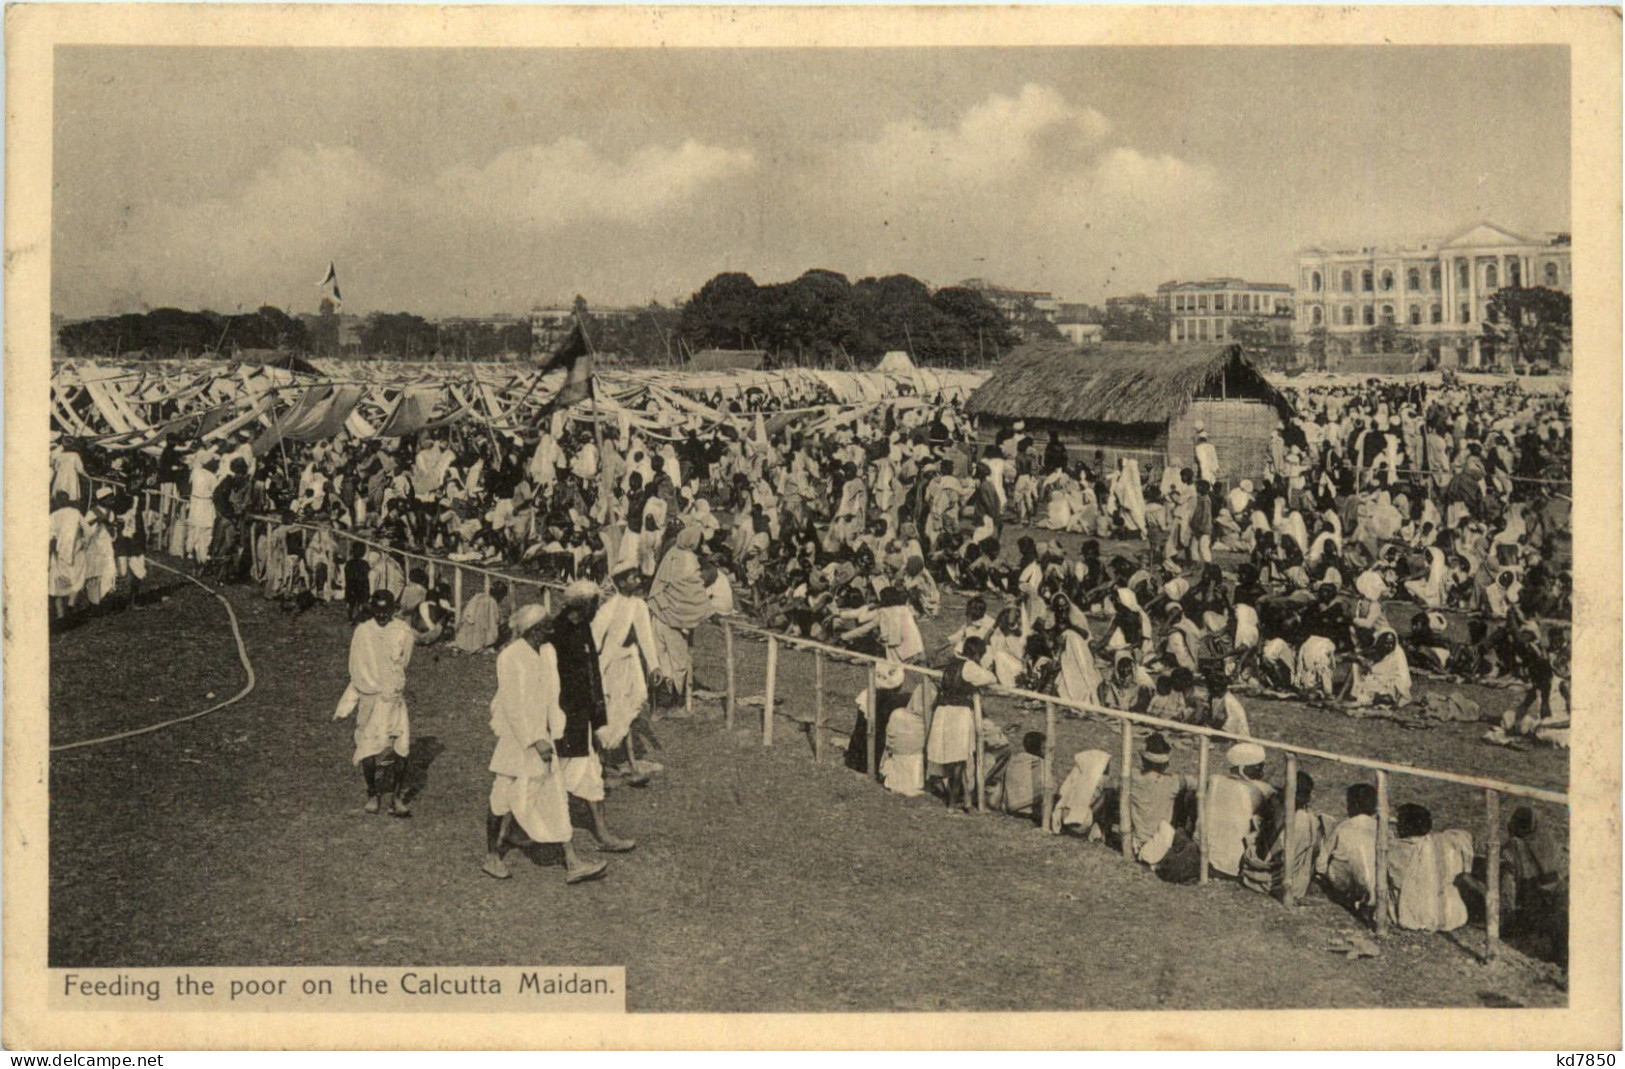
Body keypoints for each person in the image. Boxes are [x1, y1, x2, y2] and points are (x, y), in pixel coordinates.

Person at [483, 603, 608, 884]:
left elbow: (553, 697)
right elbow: (512, 705)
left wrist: (555, 733)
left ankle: (572, 862)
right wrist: (533, 739)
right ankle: (492, 855)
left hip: (544, 738)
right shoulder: (510, 657)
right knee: (501, 799)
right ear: (529, 629)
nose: (546, 633)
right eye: (541, 629)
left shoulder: (546, 654)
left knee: (554, 797)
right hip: (518, 742)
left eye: (546, 628)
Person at [550, 580, 636, 852]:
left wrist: (598, 718)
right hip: (562, 719)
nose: (598, 609)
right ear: (584, 606)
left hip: (582, 718)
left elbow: (593, 674)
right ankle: (516, 832)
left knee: (589, 774)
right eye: (595, 604)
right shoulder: (556, 632)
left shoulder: (584, 628)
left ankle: (602, 832)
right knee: (544, 777)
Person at [334, 590, 415, 817]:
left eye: (385, 612)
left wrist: (390, 684)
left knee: (401, 748)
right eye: (377, 612)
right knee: (367, 747)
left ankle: (396, 798)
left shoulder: (403, 631)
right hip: (369, 697)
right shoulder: (363, 632)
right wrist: (369, 686)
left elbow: (404, 662)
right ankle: (372, 794)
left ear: (393, 610)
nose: (381, 617)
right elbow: (355, 664)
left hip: (393, 697)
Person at [593, 560, 664, 778]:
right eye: (633, 577)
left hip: (630, 660)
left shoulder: (639, 606)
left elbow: (645, 638)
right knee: (610, 707)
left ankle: (628, 760)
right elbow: (595, 638)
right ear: (622, 582)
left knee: (635, 700)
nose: (638, 580)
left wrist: (654, 666)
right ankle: (601, 761)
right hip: (610, 663)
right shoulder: (609, 608)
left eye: (638, 576)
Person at [646, 526, 714, 707]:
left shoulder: (672, 553)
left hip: (658, 613)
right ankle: (673, 702)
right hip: (673, 619)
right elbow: (692, 591)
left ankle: (656, 704)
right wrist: (709, 611)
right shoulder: (689, 560)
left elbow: (661, 584)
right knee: (679, 662)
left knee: (661, 659)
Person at [928, 635, 996, 812]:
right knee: (958, 760)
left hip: (944, 712)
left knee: (957, 758)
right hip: (958, 714)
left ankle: (966, 800)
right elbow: (990, 678)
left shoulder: (952, 663)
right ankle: (951, 804)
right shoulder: (971, 667)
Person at [1386, 803, 1474, 932]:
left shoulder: (1397, 849)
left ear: (1403, 826)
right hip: (1452, 916)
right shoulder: (1445, 842)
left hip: (1418, 915)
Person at [1240, 770, 1326, 901]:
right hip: (1280, 882)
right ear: (1306, 797)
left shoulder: (1281, 808)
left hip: (1261, 876)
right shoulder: (1306, 820)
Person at [1205, 742, 1273, 878]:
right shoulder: (1260, 789)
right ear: (1243, 768)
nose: (1262, 770)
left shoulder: (1214, 780)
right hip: (1233, 863)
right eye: (1258, 766)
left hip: (1205, 856)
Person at [1127, 732, 1197, 864]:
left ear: (1143, 760)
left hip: (1138, 843)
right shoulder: (1173, 782)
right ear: (1166, 763)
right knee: (1189, 794)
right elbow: (1198, 785)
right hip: (1162, 842)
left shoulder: (1133, 777)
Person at [1318, 783, 1379, 914]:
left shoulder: (1344, 826)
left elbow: (1321, 862)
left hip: (1346, 884)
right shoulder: (1382, 829)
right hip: (1375, 884)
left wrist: (1321, 875)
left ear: (1354, 805)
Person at [1050, 749, 1112, 837]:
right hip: (1080, 825)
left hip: (1063, 820)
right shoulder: (1099, 780)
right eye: (1106, 766)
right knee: (1108, 794)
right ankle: (1102, 829)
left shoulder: (1075, 778)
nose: (1108, 769)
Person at [453, 580, 509, 653]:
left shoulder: (478, 596)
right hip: (478, 636)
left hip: (465, 634)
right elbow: (493, 623)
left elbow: (465, 614)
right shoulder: (492, 602)